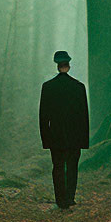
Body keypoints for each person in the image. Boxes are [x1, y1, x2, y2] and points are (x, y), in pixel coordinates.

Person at [39, 50, 89, 210]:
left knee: (58, 167)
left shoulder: (47, 87)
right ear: (68, 65)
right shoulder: (79, 87)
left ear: (57, 65)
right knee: (72, 166)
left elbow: (43, 117)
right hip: (75, 136)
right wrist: (84, 140)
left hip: (55, 136)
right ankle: (70, 198)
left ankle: (61, 200)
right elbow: (84, 117)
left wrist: (45, 140)